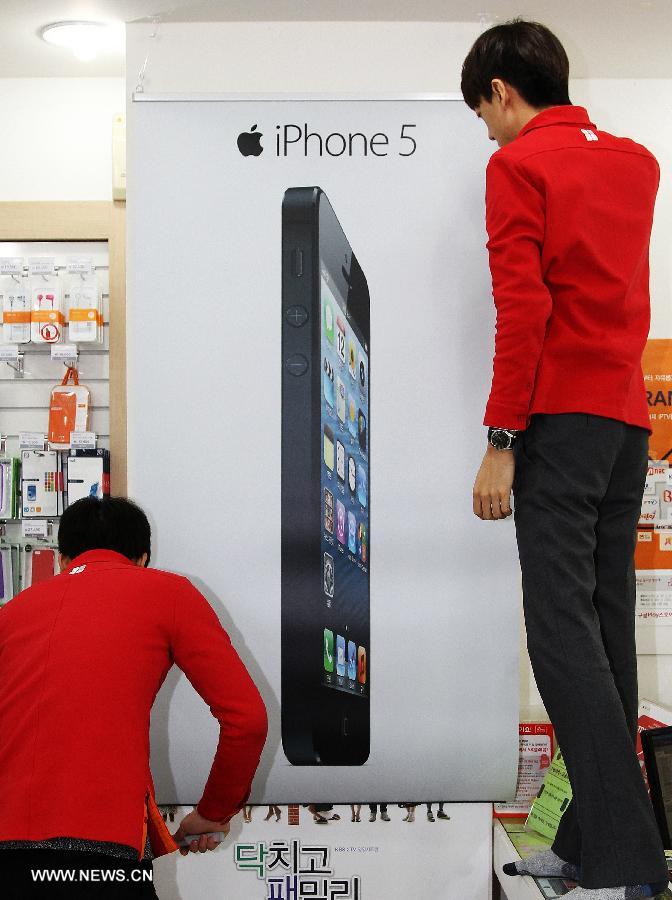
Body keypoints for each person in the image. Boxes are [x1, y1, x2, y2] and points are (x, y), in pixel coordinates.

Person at [461, 19, 669, 900]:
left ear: (504, 91)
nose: (490, 131)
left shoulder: (519, 166)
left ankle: (630, 862)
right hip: (626, 426)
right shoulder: (637, 161)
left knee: (560, 637)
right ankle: (591, 843)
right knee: (602, 631)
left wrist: (501, 441)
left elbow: (525, 312)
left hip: (559, 422)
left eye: (484, 113)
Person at [0, 497, 268, 899]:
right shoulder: (169, 593)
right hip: (102, 848)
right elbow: (247, 719)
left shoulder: (12, 613)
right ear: (142, 558)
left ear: (61, 559)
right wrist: (214, 811)